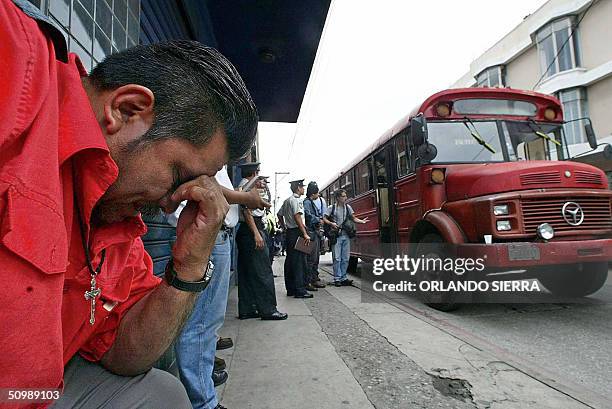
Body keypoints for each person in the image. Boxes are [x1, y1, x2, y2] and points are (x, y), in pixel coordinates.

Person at [0, 2, 258, 407]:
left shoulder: (119, 229)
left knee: (162, 394)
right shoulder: (19, 66)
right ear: (126, 109)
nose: (173, 203)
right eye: (179, 177)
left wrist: (189, 266)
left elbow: (127, 356)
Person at [172, 167, 269, 409]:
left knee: (206, 322)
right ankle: (203, 401)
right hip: (210, 234)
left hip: (217, 234)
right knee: (202, 323)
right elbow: (208, 188)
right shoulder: (207, 144)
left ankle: (201, 383)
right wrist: (247, 198)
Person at [236, 163, 287, 320]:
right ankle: (268, 309)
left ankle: (247, 308)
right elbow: (247, 210)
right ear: (254, 173)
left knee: (246, 272)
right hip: (253, 228)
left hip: (245, 231)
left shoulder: (242, 185)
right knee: (263, 271)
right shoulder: (248, 186)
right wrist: (257, 234)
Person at [323, 189, 369, 287]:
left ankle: (343, 277)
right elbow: (324, 218)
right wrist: (331, 223)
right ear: (338, 198)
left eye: (345, 196)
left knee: (345, 258)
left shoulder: (348, 208)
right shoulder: (332, 208)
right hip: (336, 236)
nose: (346, 198)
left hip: (346, 236)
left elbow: (353, 218)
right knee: (337, 258)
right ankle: (337, 278)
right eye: (343, 196)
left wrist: (362, 221)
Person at [278, 180, 313, 298]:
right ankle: (300, 290)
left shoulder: (287, 200)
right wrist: (304, 233)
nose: (304, 189)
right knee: (300, 261)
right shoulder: (297, 200)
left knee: (290, 261)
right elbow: (297, 216)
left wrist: (284, 227)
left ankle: (291, 289)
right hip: (298, 232)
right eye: (302, 187)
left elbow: (279, 214)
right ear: (298, 188)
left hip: (290, 233)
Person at [303, 182, 327, 290]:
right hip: (310, 233)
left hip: (314, 233)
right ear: (313, 193)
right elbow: (308, 216)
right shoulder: (307, 203)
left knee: (315, 258)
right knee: (310, 259)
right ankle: (308, 281)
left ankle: (313, 279)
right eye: (317, 193)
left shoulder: (310, 202)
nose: (318, 196)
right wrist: (318, 219)